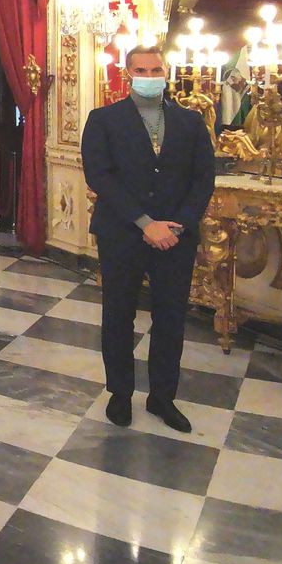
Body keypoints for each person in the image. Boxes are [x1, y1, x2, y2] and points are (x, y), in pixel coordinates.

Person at [82, 46, 216, 433]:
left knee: (171, 317)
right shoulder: (104, 119)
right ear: (128, 74)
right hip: (122, 231)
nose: (149, 76)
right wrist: (144, 223)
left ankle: (162, 397)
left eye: (156, 69)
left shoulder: (190, 121)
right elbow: (99, 176)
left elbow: (203, 179)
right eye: (141, 70)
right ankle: (120, 393)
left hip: (175, 236)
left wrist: (180, 224)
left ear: (166, 72)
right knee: (118, 314)